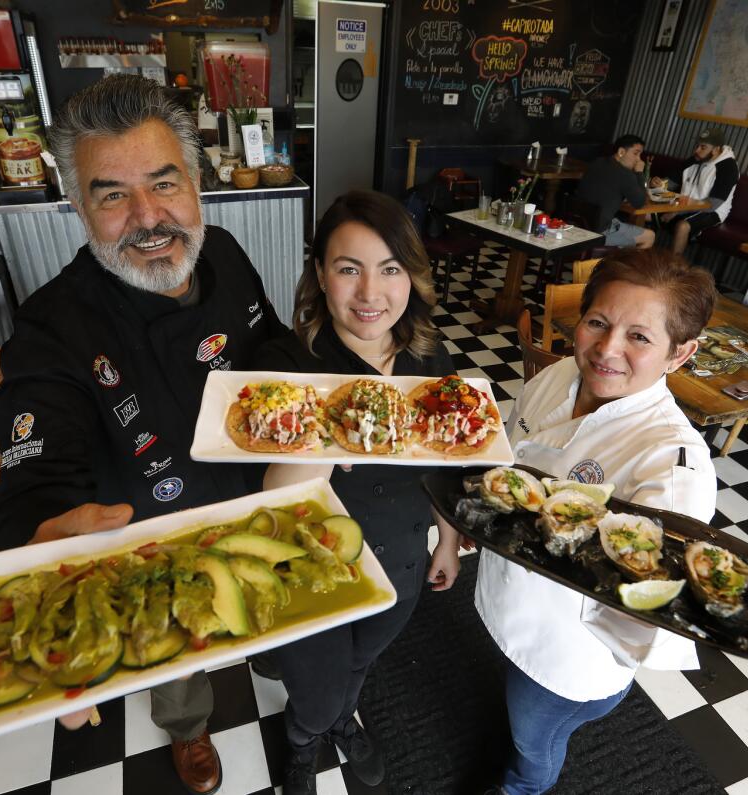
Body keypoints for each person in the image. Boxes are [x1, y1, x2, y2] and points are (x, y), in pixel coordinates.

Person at [0, 74, 289, 795]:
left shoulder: (227, 254)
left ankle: (273, 652)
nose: (148, 217)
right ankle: (188, 728)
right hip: (154, 544)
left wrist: (311, 399)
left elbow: (270, 342)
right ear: (79, 207)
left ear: (197, 181)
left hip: (256, 500)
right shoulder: (54, 327)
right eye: (112, 194)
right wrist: (25, 546)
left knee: (275, 612)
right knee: (180, 657)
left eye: (164, 182)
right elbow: (34, 474)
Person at [479, 248, 718, 795]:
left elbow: (653, 603)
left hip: (566, 653)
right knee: (514, 702)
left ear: (680, 354)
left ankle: (522, 788)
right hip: (512, 600)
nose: (607, 349)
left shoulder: (673, 460)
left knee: (533, 742)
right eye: (597, 323)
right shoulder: (560, 374)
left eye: (640, 336)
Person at [256, 191, 463, 795]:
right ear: (320, 273)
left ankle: (342, 720)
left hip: (400, 551)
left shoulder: (428, 357)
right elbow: (273, 498)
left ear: (412, 277)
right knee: (315, 691)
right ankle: (304, 737)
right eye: (349, 269)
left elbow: (444, 465)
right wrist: (333, 430)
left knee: (363, 659)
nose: (370, 294)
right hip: (308, 566)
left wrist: (447, 540)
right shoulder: (285, 363)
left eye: (390, 269)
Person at [652, 128, 739, 255]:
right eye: (697, 145)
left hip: (712, 211)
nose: (696, 150)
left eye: (703, 147)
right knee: (648, 213)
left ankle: (673, 268)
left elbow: (712, 204)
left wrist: (677, 211)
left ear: (716, 149)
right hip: (683, 203)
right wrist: (659, 184)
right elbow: (672, 182)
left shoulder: (728, 167)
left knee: (682, 226)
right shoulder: (696, 158)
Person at [574, 134, 655, 250]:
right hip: (597, 231)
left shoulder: (597, 162)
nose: (639, 159)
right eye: (635, 153)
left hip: (577, 223)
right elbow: (640, 203)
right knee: (650, 236)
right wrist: (639, 173)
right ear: (621, 152)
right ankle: (622, 268)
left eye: (640, 154)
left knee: (618, 223)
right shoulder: (626, 175)